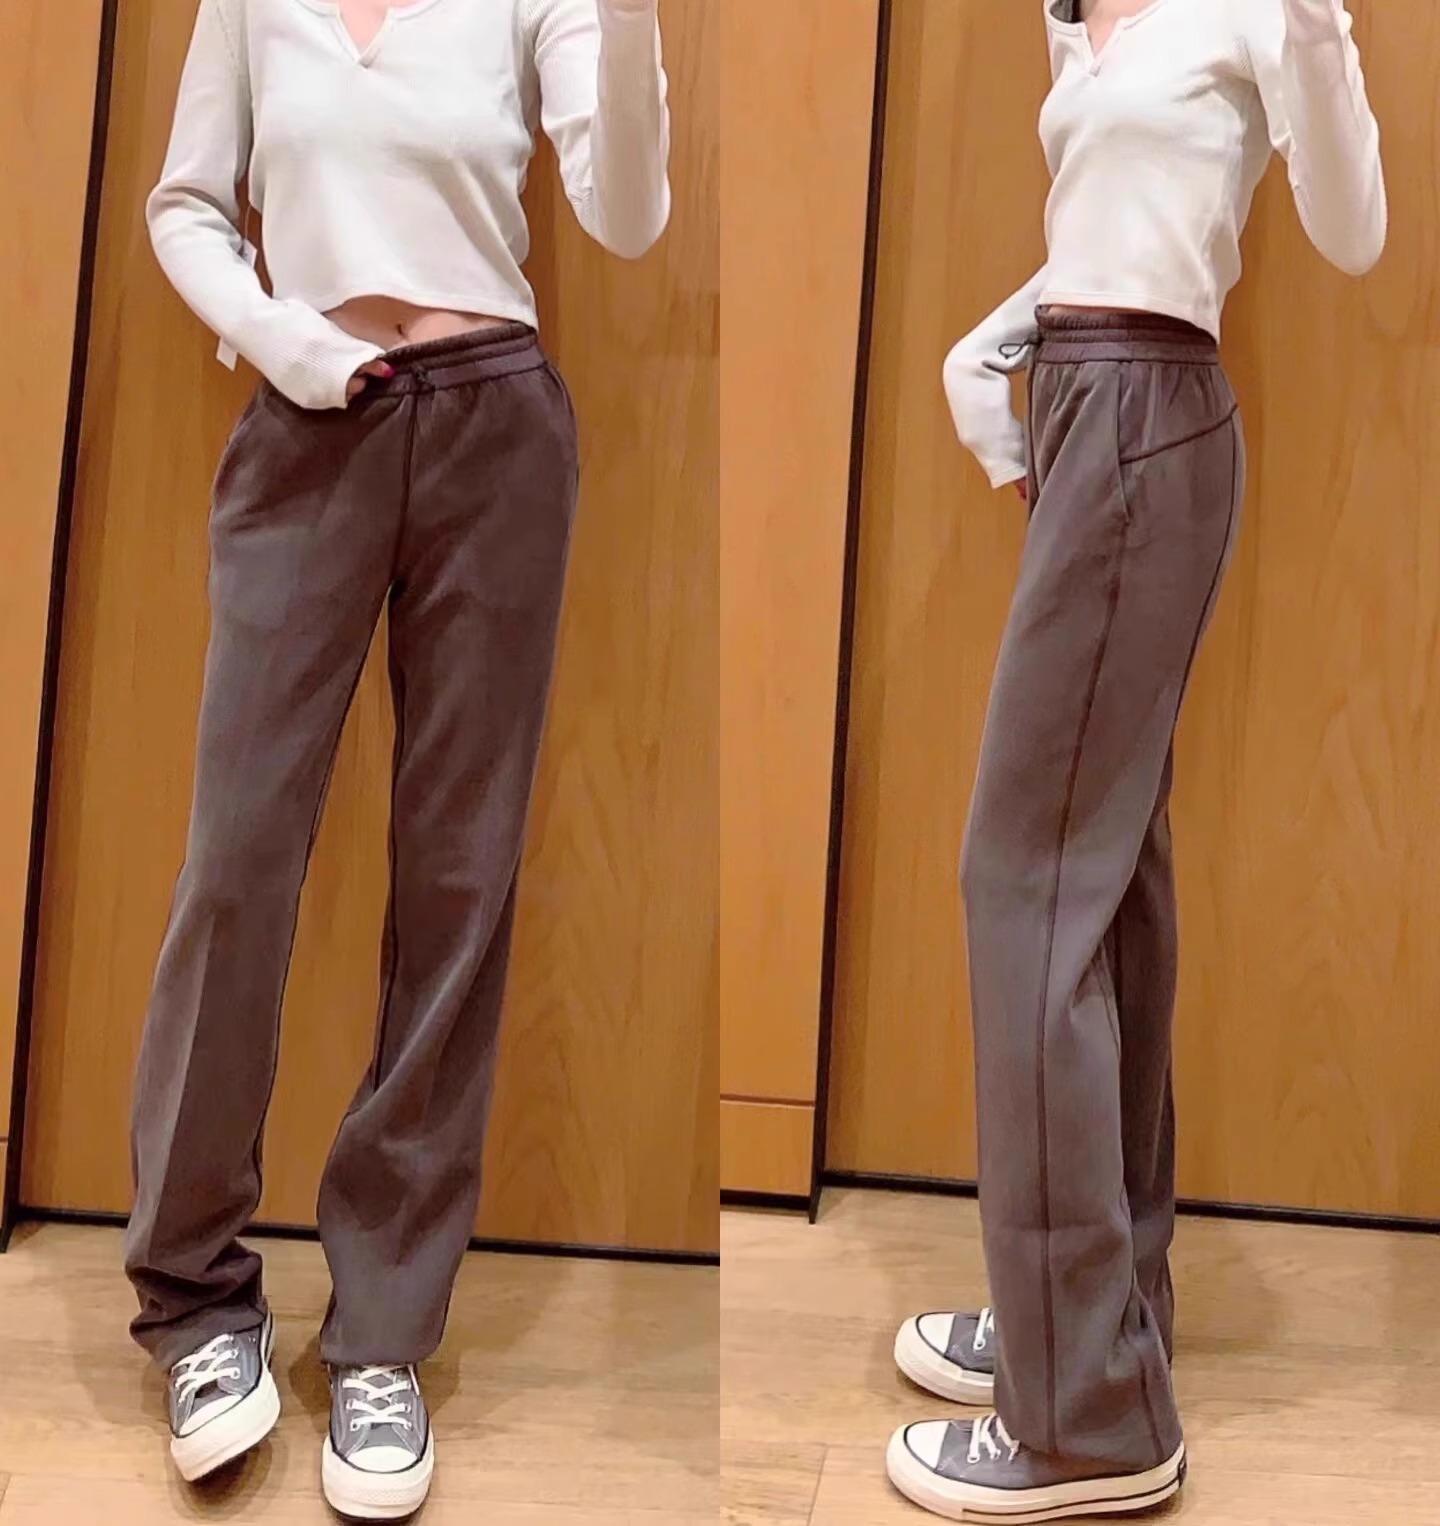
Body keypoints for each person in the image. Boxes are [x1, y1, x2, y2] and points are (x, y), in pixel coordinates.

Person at [122, 0, 669, 1517]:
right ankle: (194, 1296)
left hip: (499, 432)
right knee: (237, 861)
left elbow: (627, 215)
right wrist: (287, 339)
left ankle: (382, 1327)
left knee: (456, 881)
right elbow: (183, 205)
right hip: (307, 425)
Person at [886, 0, 1384, 1519]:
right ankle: (1096, 1321)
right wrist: (1008, 355)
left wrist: (1319, 29)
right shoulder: (1075, 17)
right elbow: (1113, 235)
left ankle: (1086, 1417)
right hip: (1093, 403)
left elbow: (1350, 230)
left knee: (1025, 883)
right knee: (1103, 884)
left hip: (1145, 416)